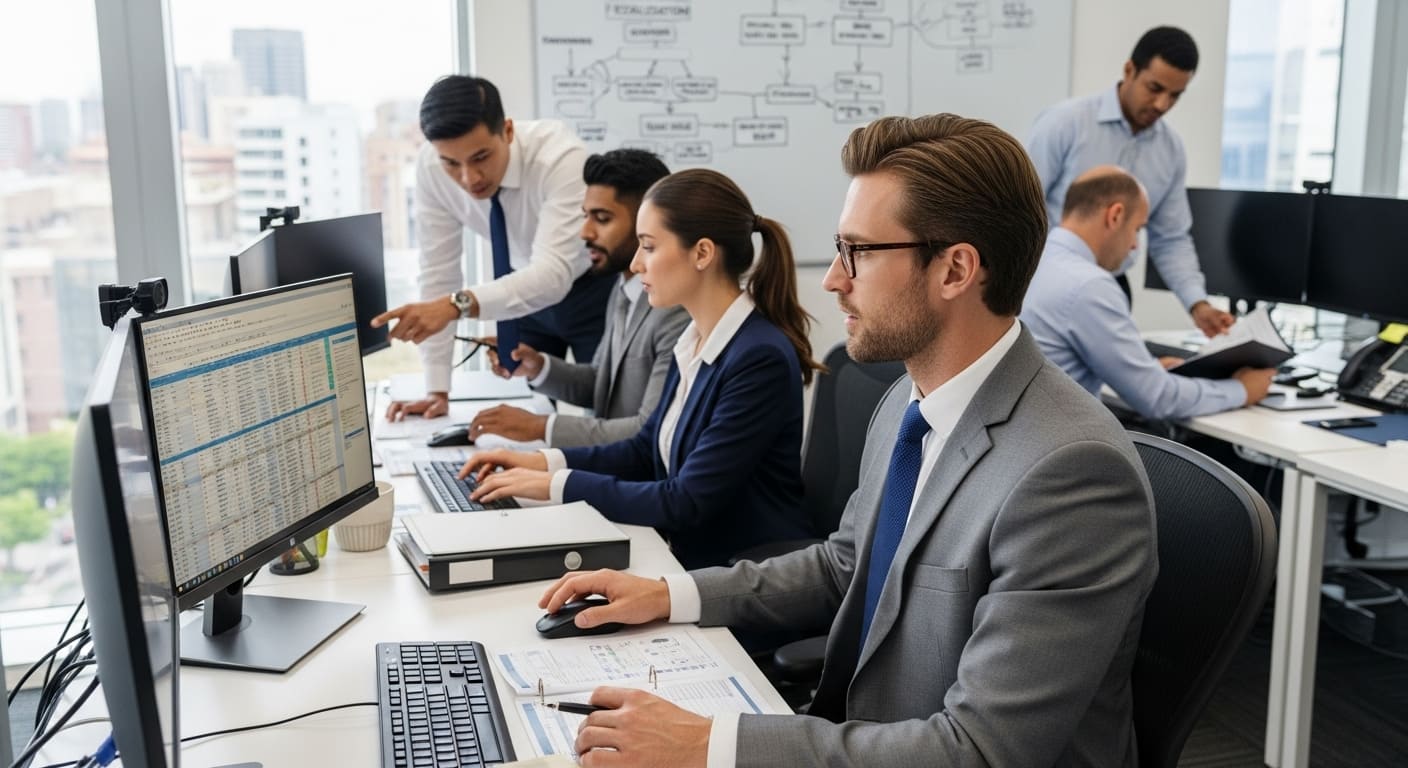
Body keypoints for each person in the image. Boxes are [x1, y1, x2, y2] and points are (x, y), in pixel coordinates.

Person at [533, 115, 1158, 767]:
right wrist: (671, 595)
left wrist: (706, 743)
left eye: (857, 251)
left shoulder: (1072, 475)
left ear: (955, 270)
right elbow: (845, 564)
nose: (833, 278)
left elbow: (980, 750)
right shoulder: (904, 404)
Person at [458, 168, 822, 570]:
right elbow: (643, 449)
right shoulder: (694, 340)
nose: (635, 263)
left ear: (702, 253)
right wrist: (543, 462)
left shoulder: (757, 358)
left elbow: (686, 500)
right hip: (681, 554)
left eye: (648, 247)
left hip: (736, 574)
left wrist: (554, 485)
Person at [371, 75, 615, 420]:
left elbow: (554, 273)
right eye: (451, 163)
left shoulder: (561, 158)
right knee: (526, 415)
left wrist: (457, 305)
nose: (470, 178)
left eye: (481, 156)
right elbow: (438, 272)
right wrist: (437, 389)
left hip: (590, 289)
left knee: (606, 409)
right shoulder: (431, 168)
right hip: (521, 290)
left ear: (509, 132)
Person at [465, 149, 690, 448]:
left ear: (647, 225)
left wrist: (540, 427)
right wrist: (538, 366)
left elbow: (649, 432)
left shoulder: (677, 312)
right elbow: (601, 382)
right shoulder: (623, 289)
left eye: (602, 218)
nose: (584, 232)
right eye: (585, 216)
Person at [1026, 25, 1236, 338]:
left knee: (1107, 385)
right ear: (1129, 70)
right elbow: (1018, 208)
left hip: (1112, 286)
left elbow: (1171, 238)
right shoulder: (1064, 123)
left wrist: (1198, 304)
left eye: (1175, 96)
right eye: (1154, 88)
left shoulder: (1171, 150)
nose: (1162, 104)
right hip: (1046, 285)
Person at [1022, 166, 1274, 419]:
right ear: (1115, 216)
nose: (1134, 245)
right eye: (1138, 229)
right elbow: (1157, 398)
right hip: (1068, 443)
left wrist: (1146, 369)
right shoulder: (1089, 286)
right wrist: (1241, 389)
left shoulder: (1035, 260)